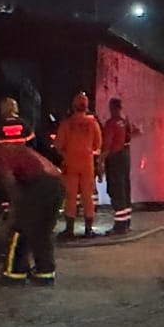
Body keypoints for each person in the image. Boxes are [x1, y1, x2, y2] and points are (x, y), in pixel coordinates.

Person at [0, 113, 65, 284]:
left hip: (38, 187)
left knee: (19, 231)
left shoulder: (1, 155)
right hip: (56, 186)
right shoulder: (27, 152)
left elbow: (12, 186)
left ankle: (15, 273)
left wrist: (13, 216)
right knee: (42, 232)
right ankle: (45, 273)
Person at [54, 93, 104, 237]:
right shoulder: (93, 123)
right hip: (87, 164)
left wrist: (66, 155)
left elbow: (58, 145)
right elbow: (98, 145)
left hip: (70, 163)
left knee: (70, 196)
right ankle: (89, 229)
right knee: (87, 196)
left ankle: (69, 230)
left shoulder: (66, 124)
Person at [100, 97, 141, 235]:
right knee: (125, 188)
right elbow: (137, 132)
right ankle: (126, 222)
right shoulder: (125, 121)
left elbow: (107, 144)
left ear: (112, 107)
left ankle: (119, 226)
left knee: (116, 190)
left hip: (115, 158)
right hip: (125, 156)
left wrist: (100, 161)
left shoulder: (111, 124)